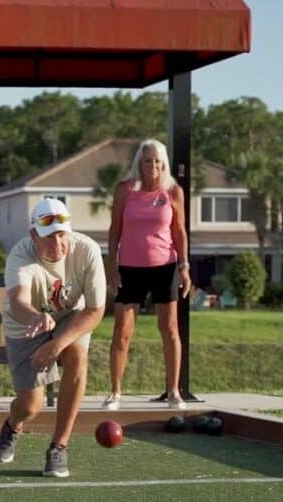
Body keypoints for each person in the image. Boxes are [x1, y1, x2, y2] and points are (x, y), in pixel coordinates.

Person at [0, 198, 106, 478]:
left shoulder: (87, 250)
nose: (57, 244)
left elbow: (95, 310)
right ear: (33, 236)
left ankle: (59, 447)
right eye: (49, 237)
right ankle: (13, 425)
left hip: (71, 317)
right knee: (30, 407)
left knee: (77, 356)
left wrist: (56, 344)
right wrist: (35, 319)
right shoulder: (20, 255)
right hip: (25, 324)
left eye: (61, 235)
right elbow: (18, 301)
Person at [105, 139, 191, 411]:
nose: (152, 165)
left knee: (170, 330)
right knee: (122, 332)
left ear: (163, 164)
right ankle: (115, 392)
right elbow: (114, 230)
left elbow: (179, 231)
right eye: (147, 160)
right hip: (131, 269)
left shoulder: (173, 192)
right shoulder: (125, 190)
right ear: (138, 163)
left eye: (157, 161)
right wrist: (112, 266)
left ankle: (174, 391)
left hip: (165, 267)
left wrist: (185, 267)